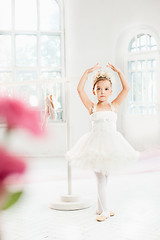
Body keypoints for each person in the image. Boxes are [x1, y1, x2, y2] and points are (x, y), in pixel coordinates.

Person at [66, 63, 141, 222]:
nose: (102, 92)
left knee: (105, 177)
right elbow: (79, 90)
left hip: (111, 146)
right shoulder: (91, 107)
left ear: (111, 91)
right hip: (95, 147)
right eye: (99, 89)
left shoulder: (114, 105)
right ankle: (106, 210)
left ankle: (100, 207)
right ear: (94, 91)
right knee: (100, 178)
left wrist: (119, 72)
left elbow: (126, 89)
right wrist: (86, 71)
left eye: (106, 89)